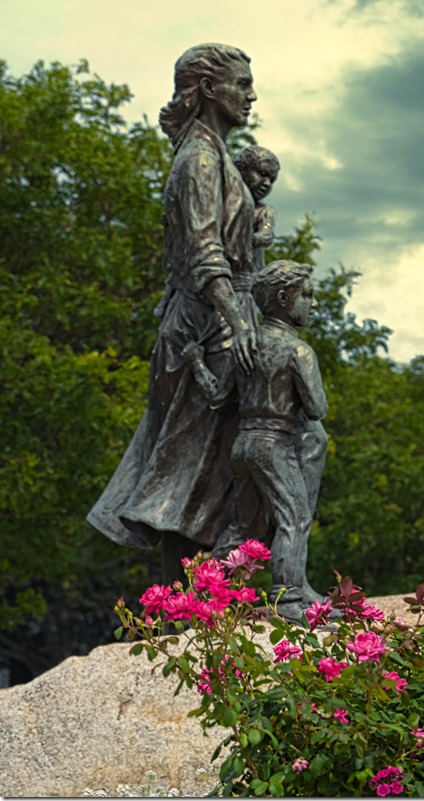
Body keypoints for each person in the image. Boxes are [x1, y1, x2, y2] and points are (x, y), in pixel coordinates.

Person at [88, 44, 259, 584]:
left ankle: (203, 603)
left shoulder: (216, 155)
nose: (252, 95)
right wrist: (241, 323)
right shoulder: (200, 160)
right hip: (201, 330)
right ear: (209, 89)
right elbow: (205, 253)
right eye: (242, 84)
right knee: (186, 479)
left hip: (210, 322)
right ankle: (180, 611)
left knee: (207, 473)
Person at [182, 260, 327, 621]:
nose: (314, 303)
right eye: (306, 295)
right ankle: (289, 597)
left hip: (243, 444)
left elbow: (218, 396)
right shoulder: (298, 351)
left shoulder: (245, 345)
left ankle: (198, 597)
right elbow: (317, 407)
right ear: (283, 298)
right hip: (274, 443)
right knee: (293, 517)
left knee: (242, 525)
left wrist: (197, 363)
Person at [233, 144, 279, 272]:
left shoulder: (263, 211)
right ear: (240, 170)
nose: (267, 183)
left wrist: (250, 238)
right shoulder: (222, 203)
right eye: (262, 174)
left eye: (272, 180)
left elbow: (267, 235)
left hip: (250, 275)